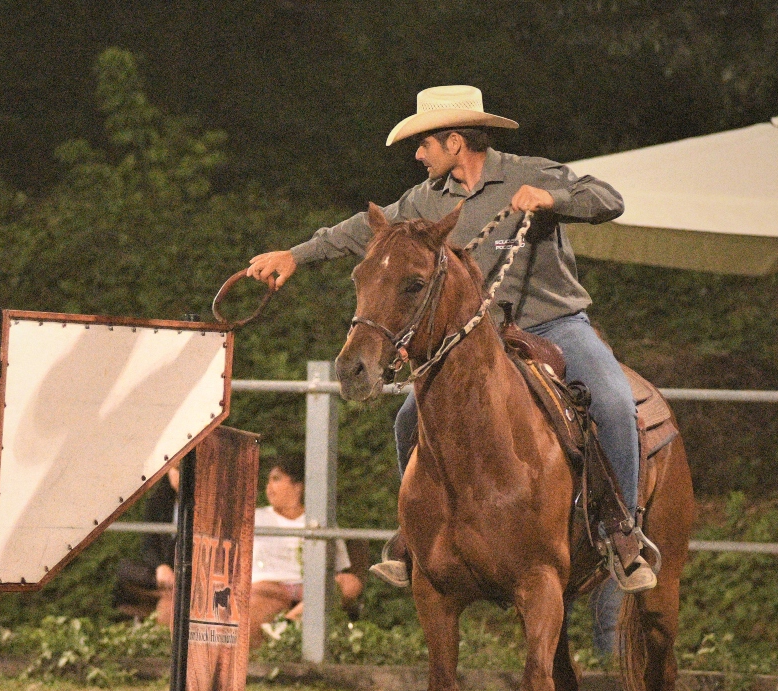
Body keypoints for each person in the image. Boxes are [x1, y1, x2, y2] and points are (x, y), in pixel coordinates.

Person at [245, 84, 656, 643]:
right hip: (475, 338)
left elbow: (609, 199)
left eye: (423, 144)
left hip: (554, 324)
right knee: (406, 419)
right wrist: (295, 255)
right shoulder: (426, 199)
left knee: (610, 399)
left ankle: (622, 535)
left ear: (455, 141)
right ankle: (414, 537)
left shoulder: (532, 172)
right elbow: (362, 232)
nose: (417, 155)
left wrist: (552, 200)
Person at [249, 453, 362, 648]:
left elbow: (339, 568)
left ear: (297, 486)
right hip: (270, 587)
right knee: (252, 612)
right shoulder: (256, 518)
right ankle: (283, 632)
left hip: (310, 588)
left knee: (350, 583)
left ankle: (286, 625)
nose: (269, 487)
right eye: (267, 480)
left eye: (276, 479)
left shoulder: (318, 519)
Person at [113, 466, 179, 622]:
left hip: (187, 571)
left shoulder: (203, 506)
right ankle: (167, 592)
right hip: (162, 575)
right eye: (176, 470)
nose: (179, 477)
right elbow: (148, 544)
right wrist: (160, 567)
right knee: (125, 569)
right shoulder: (157, 502)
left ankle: (169, 594)